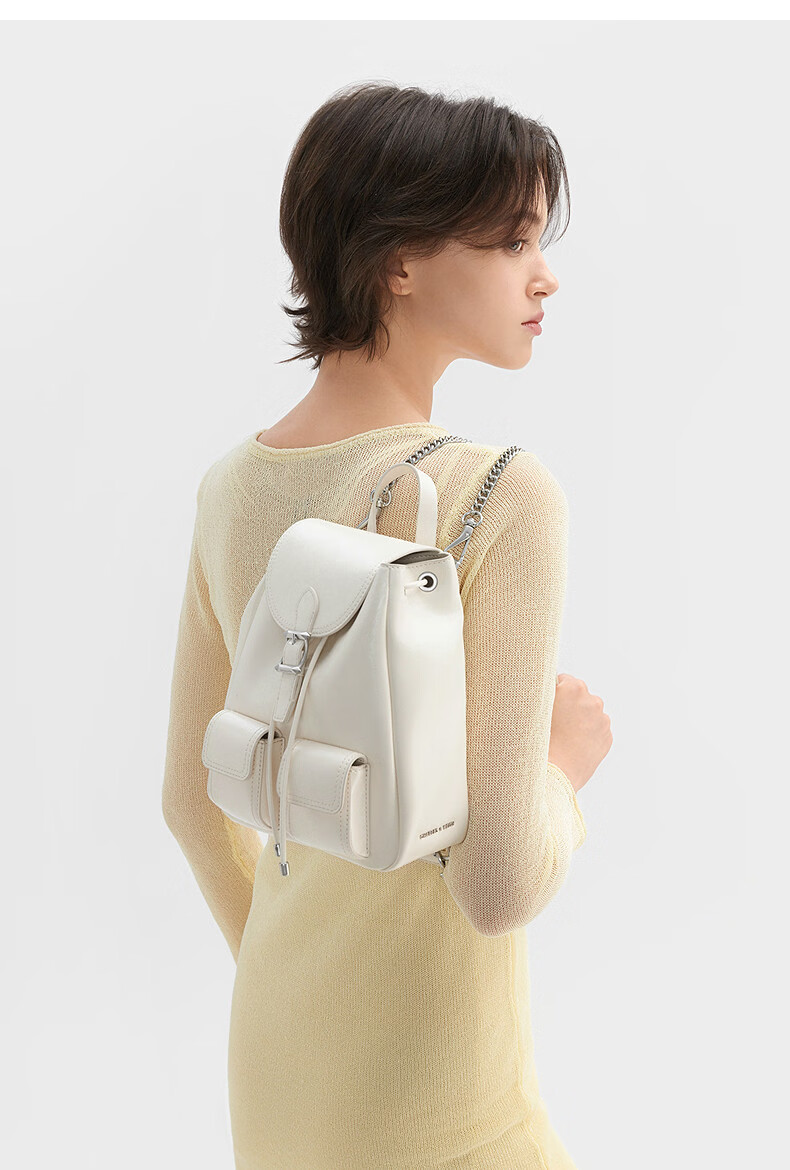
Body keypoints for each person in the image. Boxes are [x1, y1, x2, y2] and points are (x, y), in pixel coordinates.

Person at [162, 80, 613, 1170]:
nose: (544, 275)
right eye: (511, 242)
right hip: (442, 1102)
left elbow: (189, 802)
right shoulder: (498, 496)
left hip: (277, 1065)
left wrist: (289, 976)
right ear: (401, 260)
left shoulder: (230, 488)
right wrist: (564, 767)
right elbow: (497, 884)